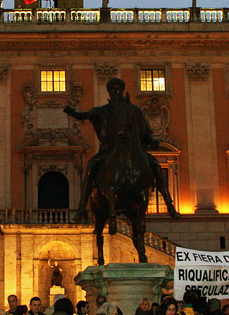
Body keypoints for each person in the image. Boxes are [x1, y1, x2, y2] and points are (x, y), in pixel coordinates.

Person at [63, 77, 179, 222]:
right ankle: (81, 208)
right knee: (91, 166)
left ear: (122, 91)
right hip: (110, 150)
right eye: (112, 90)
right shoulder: (104, 111)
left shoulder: (134, 110)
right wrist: (73, 113)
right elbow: (86, 115)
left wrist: (152, 140)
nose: (115, 92)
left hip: (133, 149)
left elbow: (145, 130)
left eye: (118, 89)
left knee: (155, 164)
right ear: (109, 92)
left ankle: (169, 205)